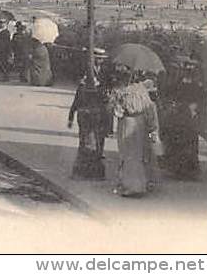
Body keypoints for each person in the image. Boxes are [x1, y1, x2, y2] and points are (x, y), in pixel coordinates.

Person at [109, 70, 160, 196]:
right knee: (139, 155)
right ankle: (141, 184)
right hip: (140, 124)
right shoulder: (142, 91)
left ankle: (130, 186)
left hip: (127, 124)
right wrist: (152, 127)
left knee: (127, 155)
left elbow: (116, 111)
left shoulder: (121, 91)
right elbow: (149, 110)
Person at [68, 48, 110, 180]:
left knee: (97, 140)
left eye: (102, 59)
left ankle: (93, 169)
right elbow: (78, 96)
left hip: (99, 111)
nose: (101, 61)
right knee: (87, 141)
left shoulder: (103, 72)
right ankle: (85, 171)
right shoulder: (86, 72)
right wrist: (71, 116)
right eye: (99, 59)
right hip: (88, 111)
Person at [159, 56, 201, 180]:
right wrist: (174, 104)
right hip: (179, 115)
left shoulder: (196, 85)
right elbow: (169, 94)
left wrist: (194, 107)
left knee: (189, 141)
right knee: (179, 141)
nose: (188, 70)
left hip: (189, 115)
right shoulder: (178, 83)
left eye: (190, 68)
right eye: (186, 67)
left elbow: (201, 98)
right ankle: (179, 169)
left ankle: (189, 170)